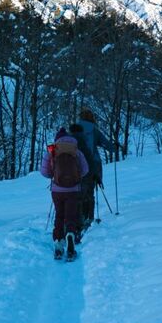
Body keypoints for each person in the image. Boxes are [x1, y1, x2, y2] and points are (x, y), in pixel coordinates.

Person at [41, 126, 89, 260]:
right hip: (74, 190)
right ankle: (70, 235)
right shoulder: (76, 151)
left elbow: (44, 172)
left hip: (57, 191)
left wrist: (54, 175)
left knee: (59, 216)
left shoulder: (52, 151)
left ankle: (58, 243)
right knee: (71, 216)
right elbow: (85, 170)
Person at [76, 108, 113, 230]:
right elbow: (107, 145)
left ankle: (79, 217)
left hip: (77, 165)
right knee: (90, 192)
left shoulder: (75, 130)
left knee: (79, 192)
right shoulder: (94, 131)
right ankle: (89, 218)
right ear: (92, 118)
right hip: (93, 166)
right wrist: (115, 147)